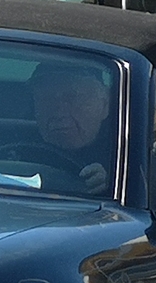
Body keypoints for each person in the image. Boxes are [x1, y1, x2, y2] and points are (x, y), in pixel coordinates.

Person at [31, 61, 115, 194]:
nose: (59, 112)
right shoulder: (10, 147)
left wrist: (110, 187)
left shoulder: (129, 157)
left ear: (105, 105)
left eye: (73, 98)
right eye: (47, 99)